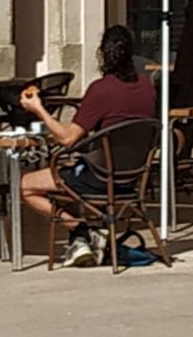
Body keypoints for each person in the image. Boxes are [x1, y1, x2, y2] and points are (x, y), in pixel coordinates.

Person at [19, 25, 155, 267]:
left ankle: (82, 230)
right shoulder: (147, 88)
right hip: (133, 177)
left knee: (26, 185)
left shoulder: (101, 89)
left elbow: (68, 138)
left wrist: (38, 109)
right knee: (68, 171)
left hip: (101, 177)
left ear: (102, 54)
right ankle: (80, 242)